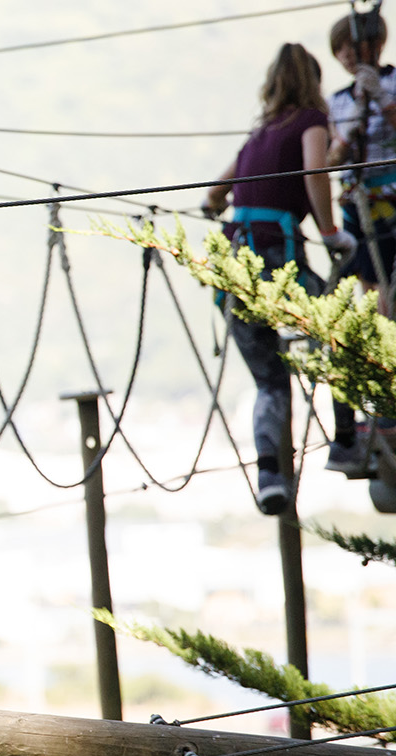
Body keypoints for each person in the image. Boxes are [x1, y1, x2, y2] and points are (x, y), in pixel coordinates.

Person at [202, 43, 358, 515]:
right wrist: (331, 234)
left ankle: (270, 474)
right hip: (278, 262)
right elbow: (314, 171)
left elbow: (214, 195)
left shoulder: (259, 134)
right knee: (341, 332)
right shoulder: (311, 120)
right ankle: (347, 440)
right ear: (313, 82)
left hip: (233, 270)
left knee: (270, 381)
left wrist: (218, 210)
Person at [328, 10, 396, 312]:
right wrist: (347, 132)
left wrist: (383, 99)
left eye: (351, 47)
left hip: (390, 194)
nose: (346, 56)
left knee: (387, 287)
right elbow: (331, 159)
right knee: (366, 282)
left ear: (376, 43)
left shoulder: (392, 82)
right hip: (357, 200)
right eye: (339, 50)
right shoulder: (337, 101)